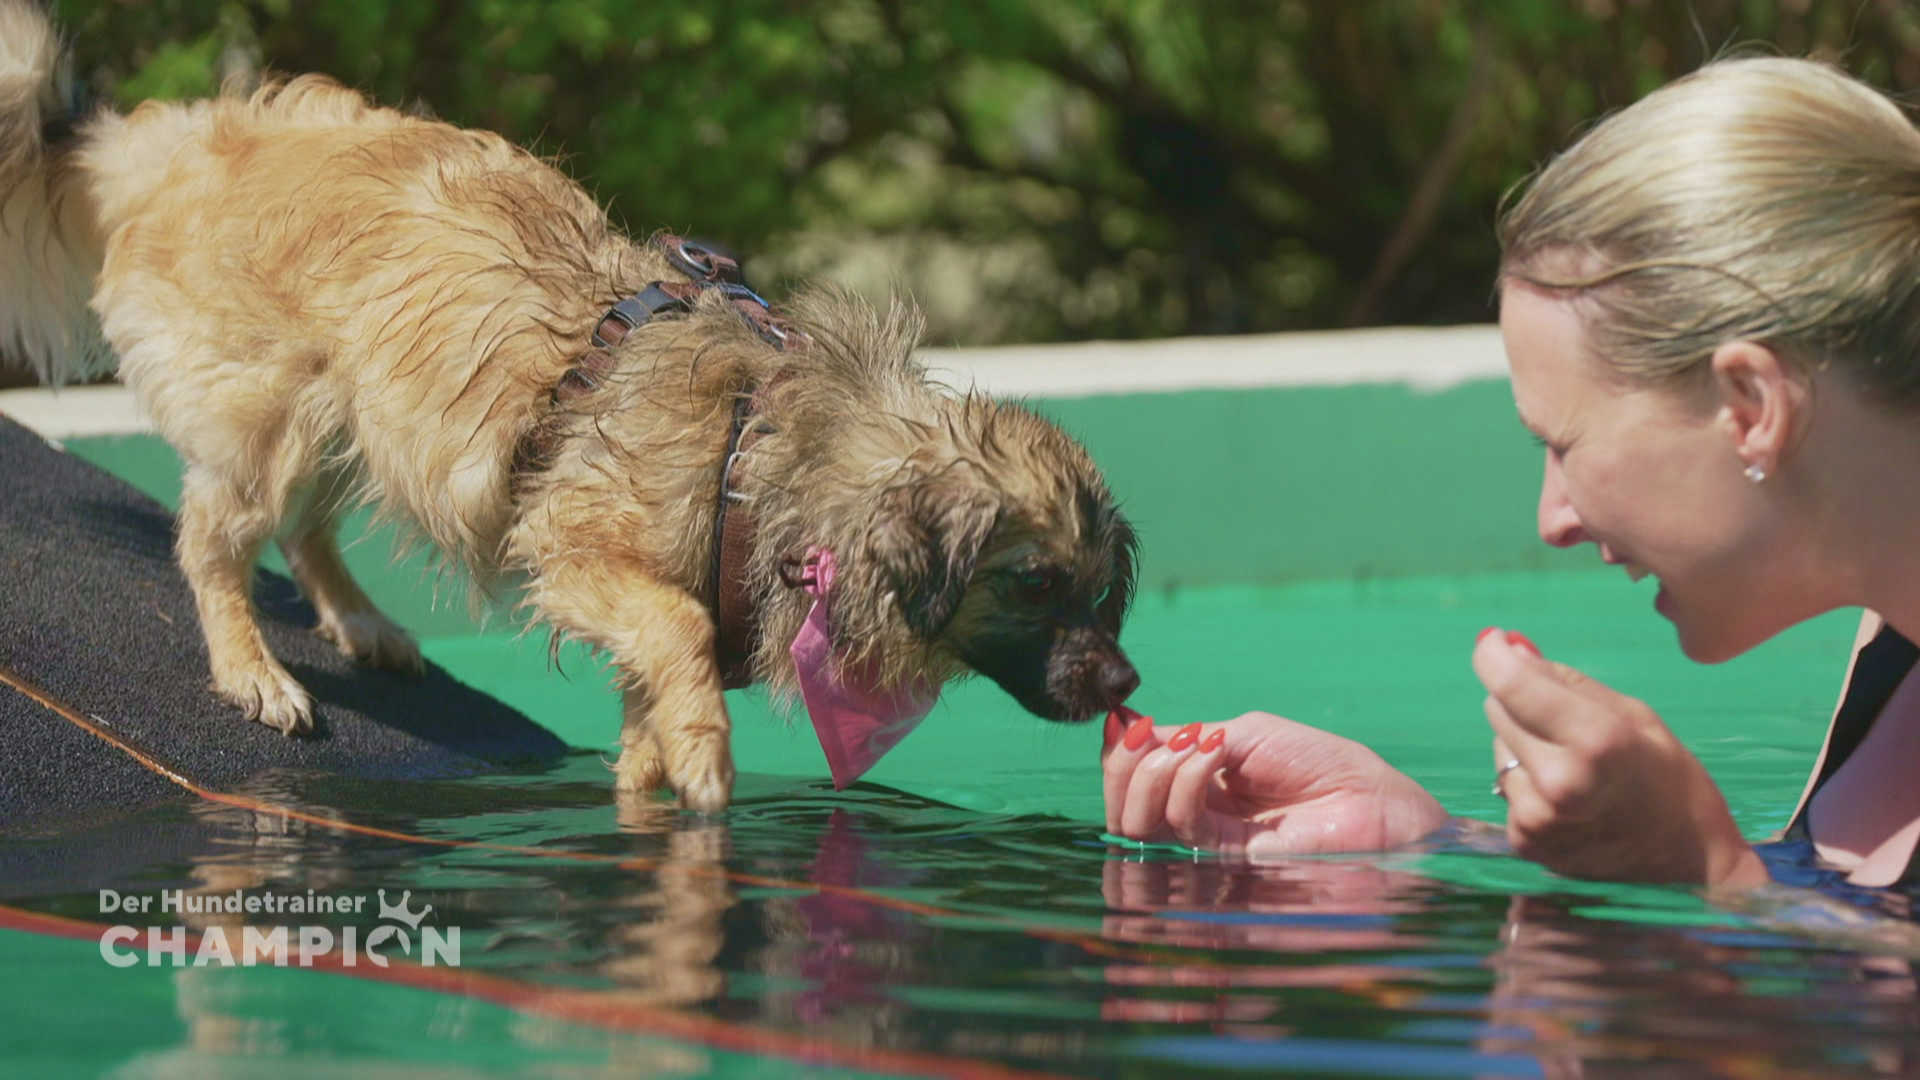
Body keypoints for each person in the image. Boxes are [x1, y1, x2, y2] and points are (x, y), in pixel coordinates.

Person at [1102, 55, 1920, 890]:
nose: (1553, 518)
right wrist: (1422, 837)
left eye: (1561, 444)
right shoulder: (1896, 638)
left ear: (1751, 406)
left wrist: (1706, 870)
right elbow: (1842, 926)